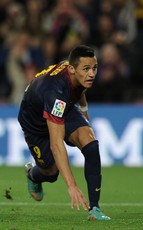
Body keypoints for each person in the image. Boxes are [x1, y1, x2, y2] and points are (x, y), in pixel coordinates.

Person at [18, 45, 110, 221]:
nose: (91, 74)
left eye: (94, 68)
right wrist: (72, 186)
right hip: (35, 123)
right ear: (72, 69)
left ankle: (95, 209)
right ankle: (32, 175)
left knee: (91, 144)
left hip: (62, 109)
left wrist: (84, 111)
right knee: (51, 173)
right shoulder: (57, 91)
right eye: (87, 69)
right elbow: (56, 144)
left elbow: (79, 89)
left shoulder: (76, 71)